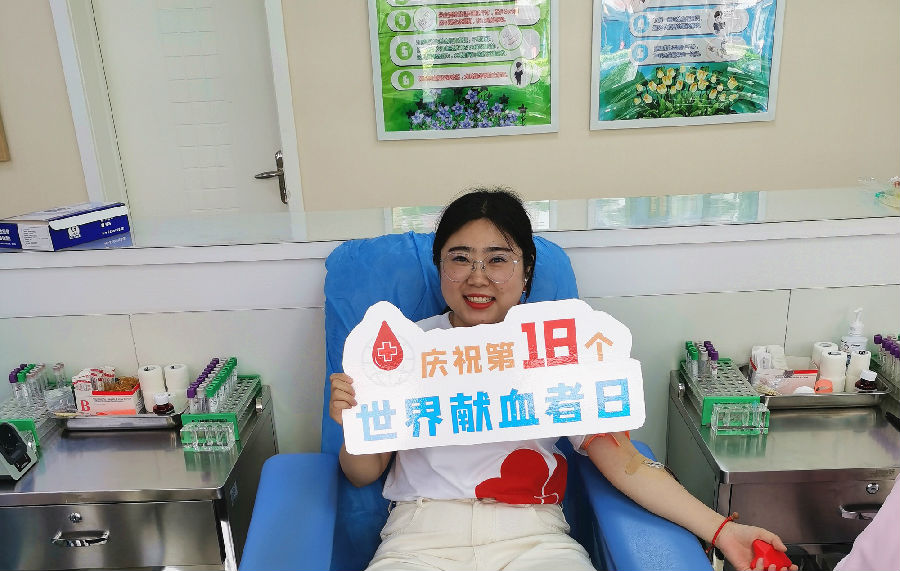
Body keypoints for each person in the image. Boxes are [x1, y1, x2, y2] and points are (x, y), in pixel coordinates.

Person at [330, 187, 796, 571]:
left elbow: (626, 462)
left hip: (533, 542)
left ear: (526, 271)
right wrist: (354, 424)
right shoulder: (403, 349)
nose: (478, 277)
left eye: (497, 259)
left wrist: (722, 530)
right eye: (460, 258)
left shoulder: (558, 349)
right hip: (419, 541)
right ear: (440, 267)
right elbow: (362, 472)